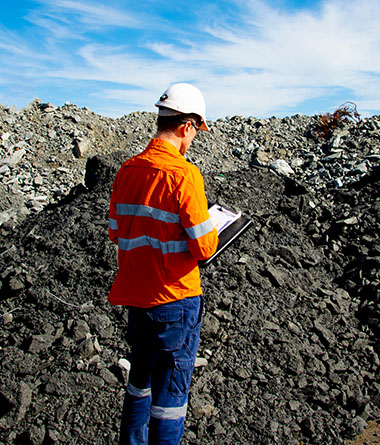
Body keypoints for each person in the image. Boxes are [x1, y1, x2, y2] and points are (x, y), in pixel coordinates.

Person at [108, 82, 219, 444]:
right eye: (194, 134)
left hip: (137, 300)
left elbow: (116, 231)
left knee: (139, 383)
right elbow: (204, 247)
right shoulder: (184, 175)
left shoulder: (127, 171)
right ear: (186, 126)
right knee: (170, 398)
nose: (192, 143)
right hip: (174, 299)